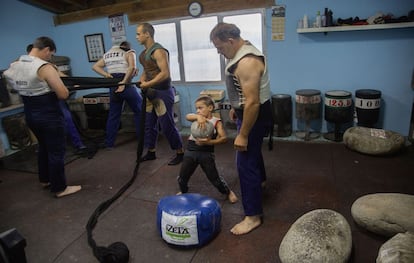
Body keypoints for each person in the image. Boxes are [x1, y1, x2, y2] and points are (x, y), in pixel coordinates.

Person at [210, 23, 273, 235]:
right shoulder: (244, 48)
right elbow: (244, 91)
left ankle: (253, 216)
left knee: (244, 162)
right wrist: (236, 106)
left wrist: (243, 134)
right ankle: (261, 182)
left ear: (230, 41)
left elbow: (253, 102)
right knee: (253, 153)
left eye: (220, 48)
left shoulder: (247, 62)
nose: (219, 52)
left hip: (255, 112)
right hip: (249, 109)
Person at [4, 36, 81, 197]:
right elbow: (63, 94)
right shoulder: (44, 67)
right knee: (56, 151)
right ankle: (60, 188)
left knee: (44, 147)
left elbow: (9, 78)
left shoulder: (15, 65)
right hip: (49, 115)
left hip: (30, 113)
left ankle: (45, 179)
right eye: (50, 54)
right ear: (46, 50)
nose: (50, 57)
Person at [135, 22, 184, 165]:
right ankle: (151, 152)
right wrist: (142, 80)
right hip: (150, 93)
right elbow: (146, 70)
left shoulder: (158, 51)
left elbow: (165, 74)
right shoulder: (144, 54)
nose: (137, 37)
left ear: (147, 34)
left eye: (138, 34)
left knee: (166, 123)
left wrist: (147, 84)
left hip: (162, 93)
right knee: (149, 124)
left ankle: (180, 152)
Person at [27, 43, 87, 154]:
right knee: (41, 125)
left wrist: (74, 83)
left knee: (67, 119)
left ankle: (78, 144)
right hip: (37, 102)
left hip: (54, 98)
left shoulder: (48, 67)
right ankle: (44, 147)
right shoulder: (26, 69)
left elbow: (62, 76)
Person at [177, 95, 238, 203]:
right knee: (182, 176)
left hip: (206, 153)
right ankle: (184, 190)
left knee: (214, 178)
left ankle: (228, 192)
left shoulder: (216, 122)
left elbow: (224, 138)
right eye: (196, 108)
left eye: (200, 108)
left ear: (210, 108)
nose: (198, 111)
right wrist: (197, 117)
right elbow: (188, 116)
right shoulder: (196, 117)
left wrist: (210, 142)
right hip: (191, 150)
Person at [92, 41, 142, 149]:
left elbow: (95, 66)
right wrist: (124, 82)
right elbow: (132, 68)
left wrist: (107, 74)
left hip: (113, 84)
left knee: (113, 115)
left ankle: (109, 143)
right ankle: (144, 140)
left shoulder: (108, 54)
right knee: (140, 111)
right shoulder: (129, 52)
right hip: (125, 84)